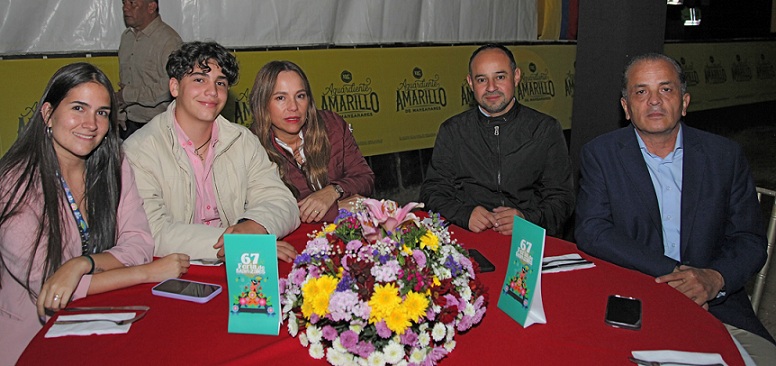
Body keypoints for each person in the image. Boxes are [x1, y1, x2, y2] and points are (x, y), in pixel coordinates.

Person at [575, 53, 776, 361]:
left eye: (665, 89)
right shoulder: (601, 155)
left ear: (684, 102)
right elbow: (593, 230)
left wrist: (712, 280)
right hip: (634, 301)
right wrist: (677, 275)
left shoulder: (724, 156)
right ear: (626, 108)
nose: (654, 101)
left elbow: (749, 240)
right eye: (641, 91)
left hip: (717, 308)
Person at [0, 63, 189, 365]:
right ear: (48, 114)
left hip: (100, 322)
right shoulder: (14, 184)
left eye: (102, 112)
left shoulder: (115, 164)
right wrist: (147, 273)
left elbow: (139, 244)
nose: (91, 123)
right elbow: (49, 285)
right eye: (78, 108)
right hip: (30, 338)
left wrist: (80, 264)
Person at [124, 42, 300, 262]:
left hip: (236, 266)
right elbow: (153, 232)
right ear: (175, 87)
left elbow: (282, 201)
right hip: (172, 272)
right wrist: (239, 243)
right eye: (199, 80)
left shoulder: (241, 140)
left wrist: (256, 225)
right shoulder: (139, 150)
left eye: (221, 82)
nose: (212, 91)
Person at [420, 44, 574, 237]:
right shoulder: (453, 131)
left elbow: (563, 199)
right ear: (470, 83)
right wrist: (464, 214)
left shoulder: (544, 129)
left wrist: (527, 218)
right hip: (469, 239)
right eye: (482, 79)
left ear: (516, 76)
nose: (491, 88)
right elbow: (431, 193)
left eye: (500, 77)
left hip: (527, 241)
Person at [249, 60, 375, 224]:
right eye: (281, 98)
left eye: (300, 96)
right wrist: (337, 210)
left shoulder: (332, 125)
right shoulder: (251, 145)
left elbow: (365, 178)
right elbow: (266, 212)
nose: (293, 107)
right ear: (263, 103)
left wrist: (334, 191)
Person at [117, 0, 182, 139]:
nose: (125, 9)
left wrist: (127, 95)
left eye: (132, 3)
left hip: (160, 127)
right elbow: (125, 80)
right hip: (129, 124)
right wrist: (120, 112)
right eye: (124, 3)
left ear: (151, 7)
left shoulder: (169, 41)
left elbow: (169, 87)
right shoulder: (126, 37)